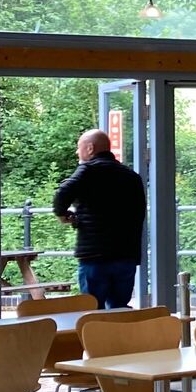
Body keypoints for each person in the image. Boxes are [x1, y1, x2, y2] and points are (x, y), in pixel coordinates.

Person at [52, 129, 146, 309]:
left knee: (92, 310)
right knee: (119, 309)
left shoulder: (88, 170)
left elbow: (62, 193)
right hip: (126, 254)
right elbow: (140, 213)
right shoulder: (132, 177)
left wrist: (63, 215)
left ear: (90, 148)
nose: (77, 152)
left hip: (94, 256)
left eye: (79, 147)